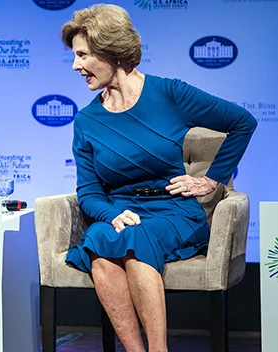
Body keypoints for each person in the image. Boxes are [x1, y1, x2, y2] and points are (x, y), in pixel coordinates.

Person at [61, 4, 256, 352]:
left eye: (83, 55)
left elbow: (242, 122)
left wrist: (211, 180)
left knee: (136, 241)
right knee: (101, 245)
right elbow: (89, 192)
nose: (76, 66)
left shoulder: (169, 94)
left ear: (111, 51)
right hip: (122, 211)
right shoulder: (86, 122)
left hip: (173, 210)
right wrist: (111, 214)